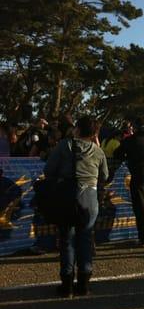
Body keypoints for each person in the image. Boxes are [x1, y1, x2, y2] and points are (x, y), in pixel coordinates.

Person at [44, 116, 108, 297]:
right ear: (95, 133)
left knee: (67, 240)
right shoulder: (98, 151)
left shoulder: (64, 145)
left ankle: (66, 285)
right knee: (85, 238)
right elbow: (105, 175)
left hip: (67, 195)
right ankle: (84, 284)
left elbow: (48, 170)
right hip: (90, 198)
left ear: (77, 129)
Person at [114, 118, 144, 248]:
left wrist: (128, 156)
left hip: (138, 176)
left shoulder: (131, 141)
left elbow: (117, 154)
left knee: (140, 208)